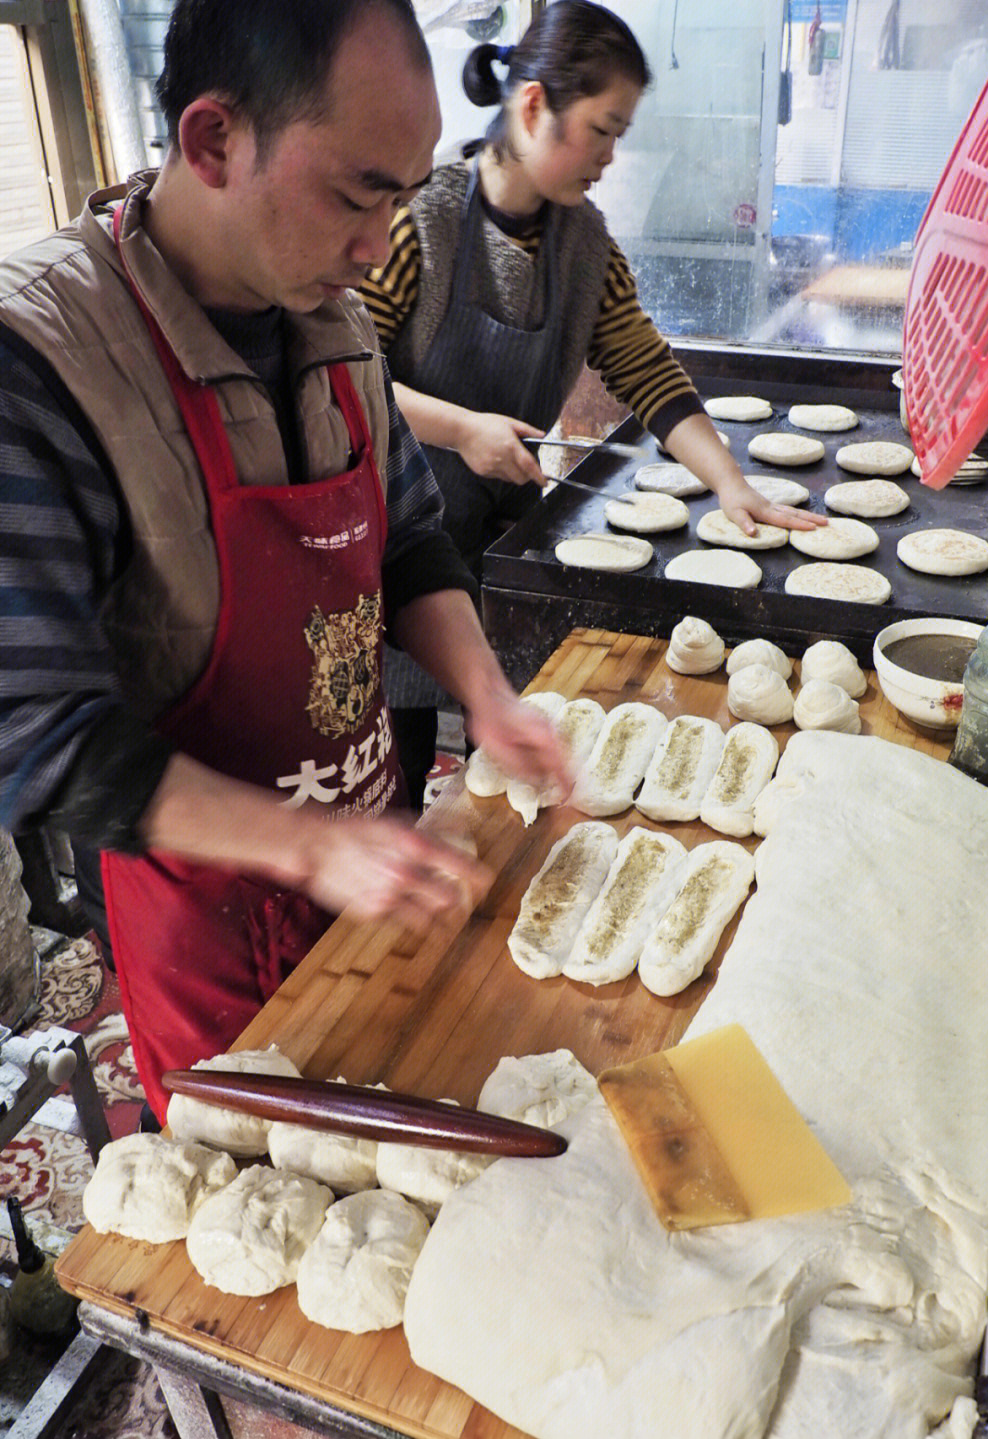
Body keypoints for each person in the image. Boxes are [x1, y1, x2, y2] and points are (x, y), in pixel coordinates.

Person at [0, 0, 570, 1122]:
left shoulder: (333, 317)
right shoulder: (43, 363)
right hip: (207, 921)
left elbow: (404, 536)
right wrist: (309, 845)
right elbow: (31, 731)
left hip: (364, 862)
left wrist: (487, 695)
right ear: (213, 141)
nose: (379, 246)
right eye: (359, 193)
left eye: (403, 198)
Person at [361, 0, 825, 805]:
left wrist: (729, 482)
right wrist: (461, 429)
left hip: (506, 549)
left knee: (506, 774)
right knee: (394, 778)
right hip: (396, 553)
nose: (611, 156)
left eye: (620, 135)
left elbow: (646, 369)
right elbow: (345, 378)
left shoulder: (585, 246)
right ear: (535, 104)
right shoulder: (419, 225)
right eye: (603, 128)